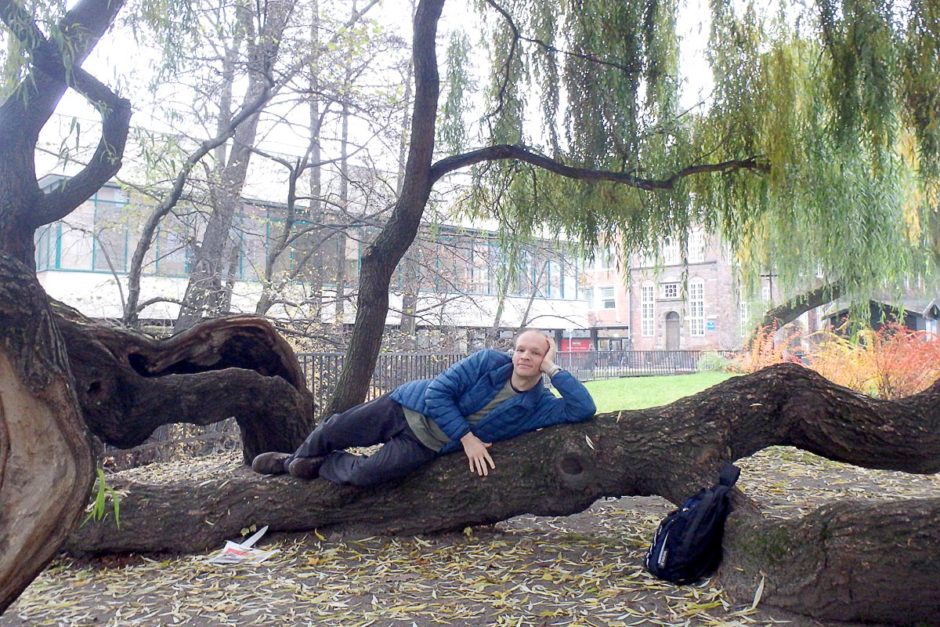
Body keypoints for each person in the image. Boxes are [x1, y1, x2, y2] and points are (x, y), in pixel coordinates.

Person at [251, 330, 596, 487]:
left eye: (535, 353)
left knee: (366, 475)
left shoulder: (540, 406)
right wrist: (468, 438)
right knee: (333, 429)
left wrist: (554, 370)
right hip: (404, 407)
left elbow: (583, 408)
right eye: (520, 349)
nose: (524, 356)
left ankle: (320, 466)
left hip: (426, 444)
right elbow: (438, 393)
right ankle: (290, 460)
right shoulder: (488, 362)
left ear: (545, 359)